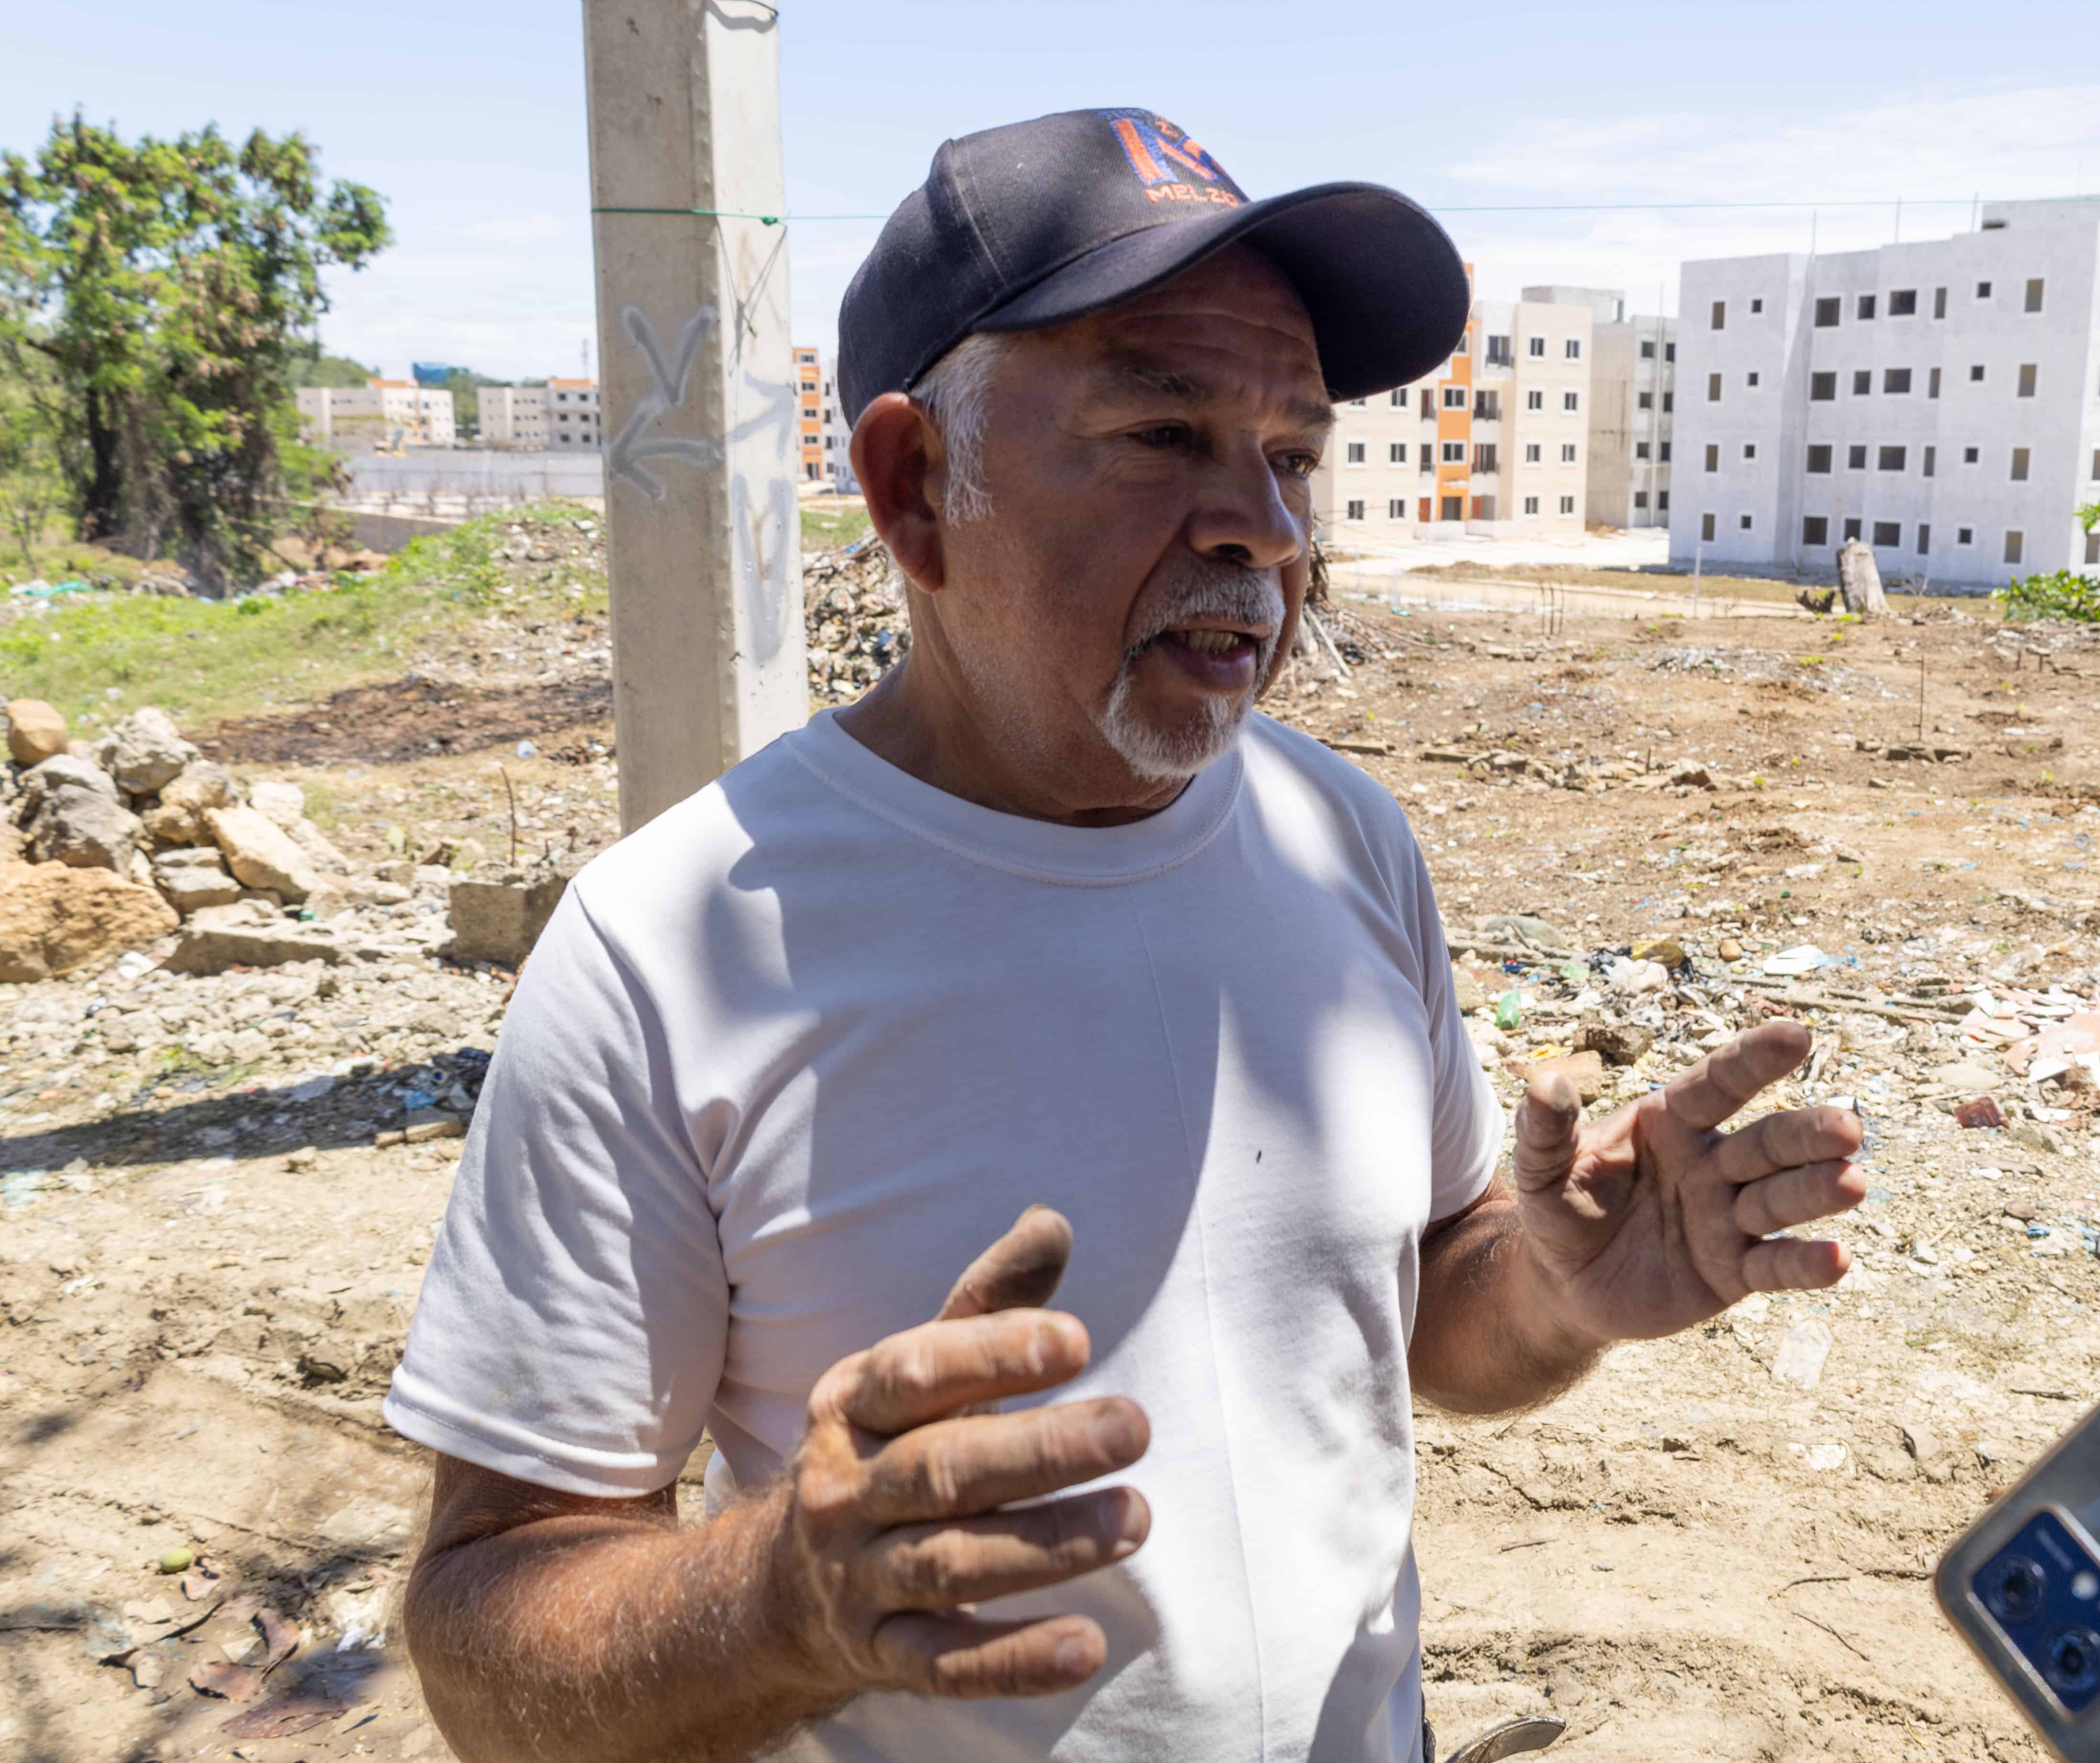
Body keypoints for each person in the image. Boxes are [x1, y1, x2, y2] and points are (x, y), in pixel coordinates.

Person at [386, 108, 1865, 1763]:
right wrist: (781, 1601)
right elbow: (485, 1634)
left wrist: (1554, 1291)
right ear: (914, 486)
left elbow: (1428, 1317)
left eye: (1291, 456)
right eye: (1163, 434)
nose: (1266, 531)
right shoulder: (668, 945)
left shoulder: (1340, 838)